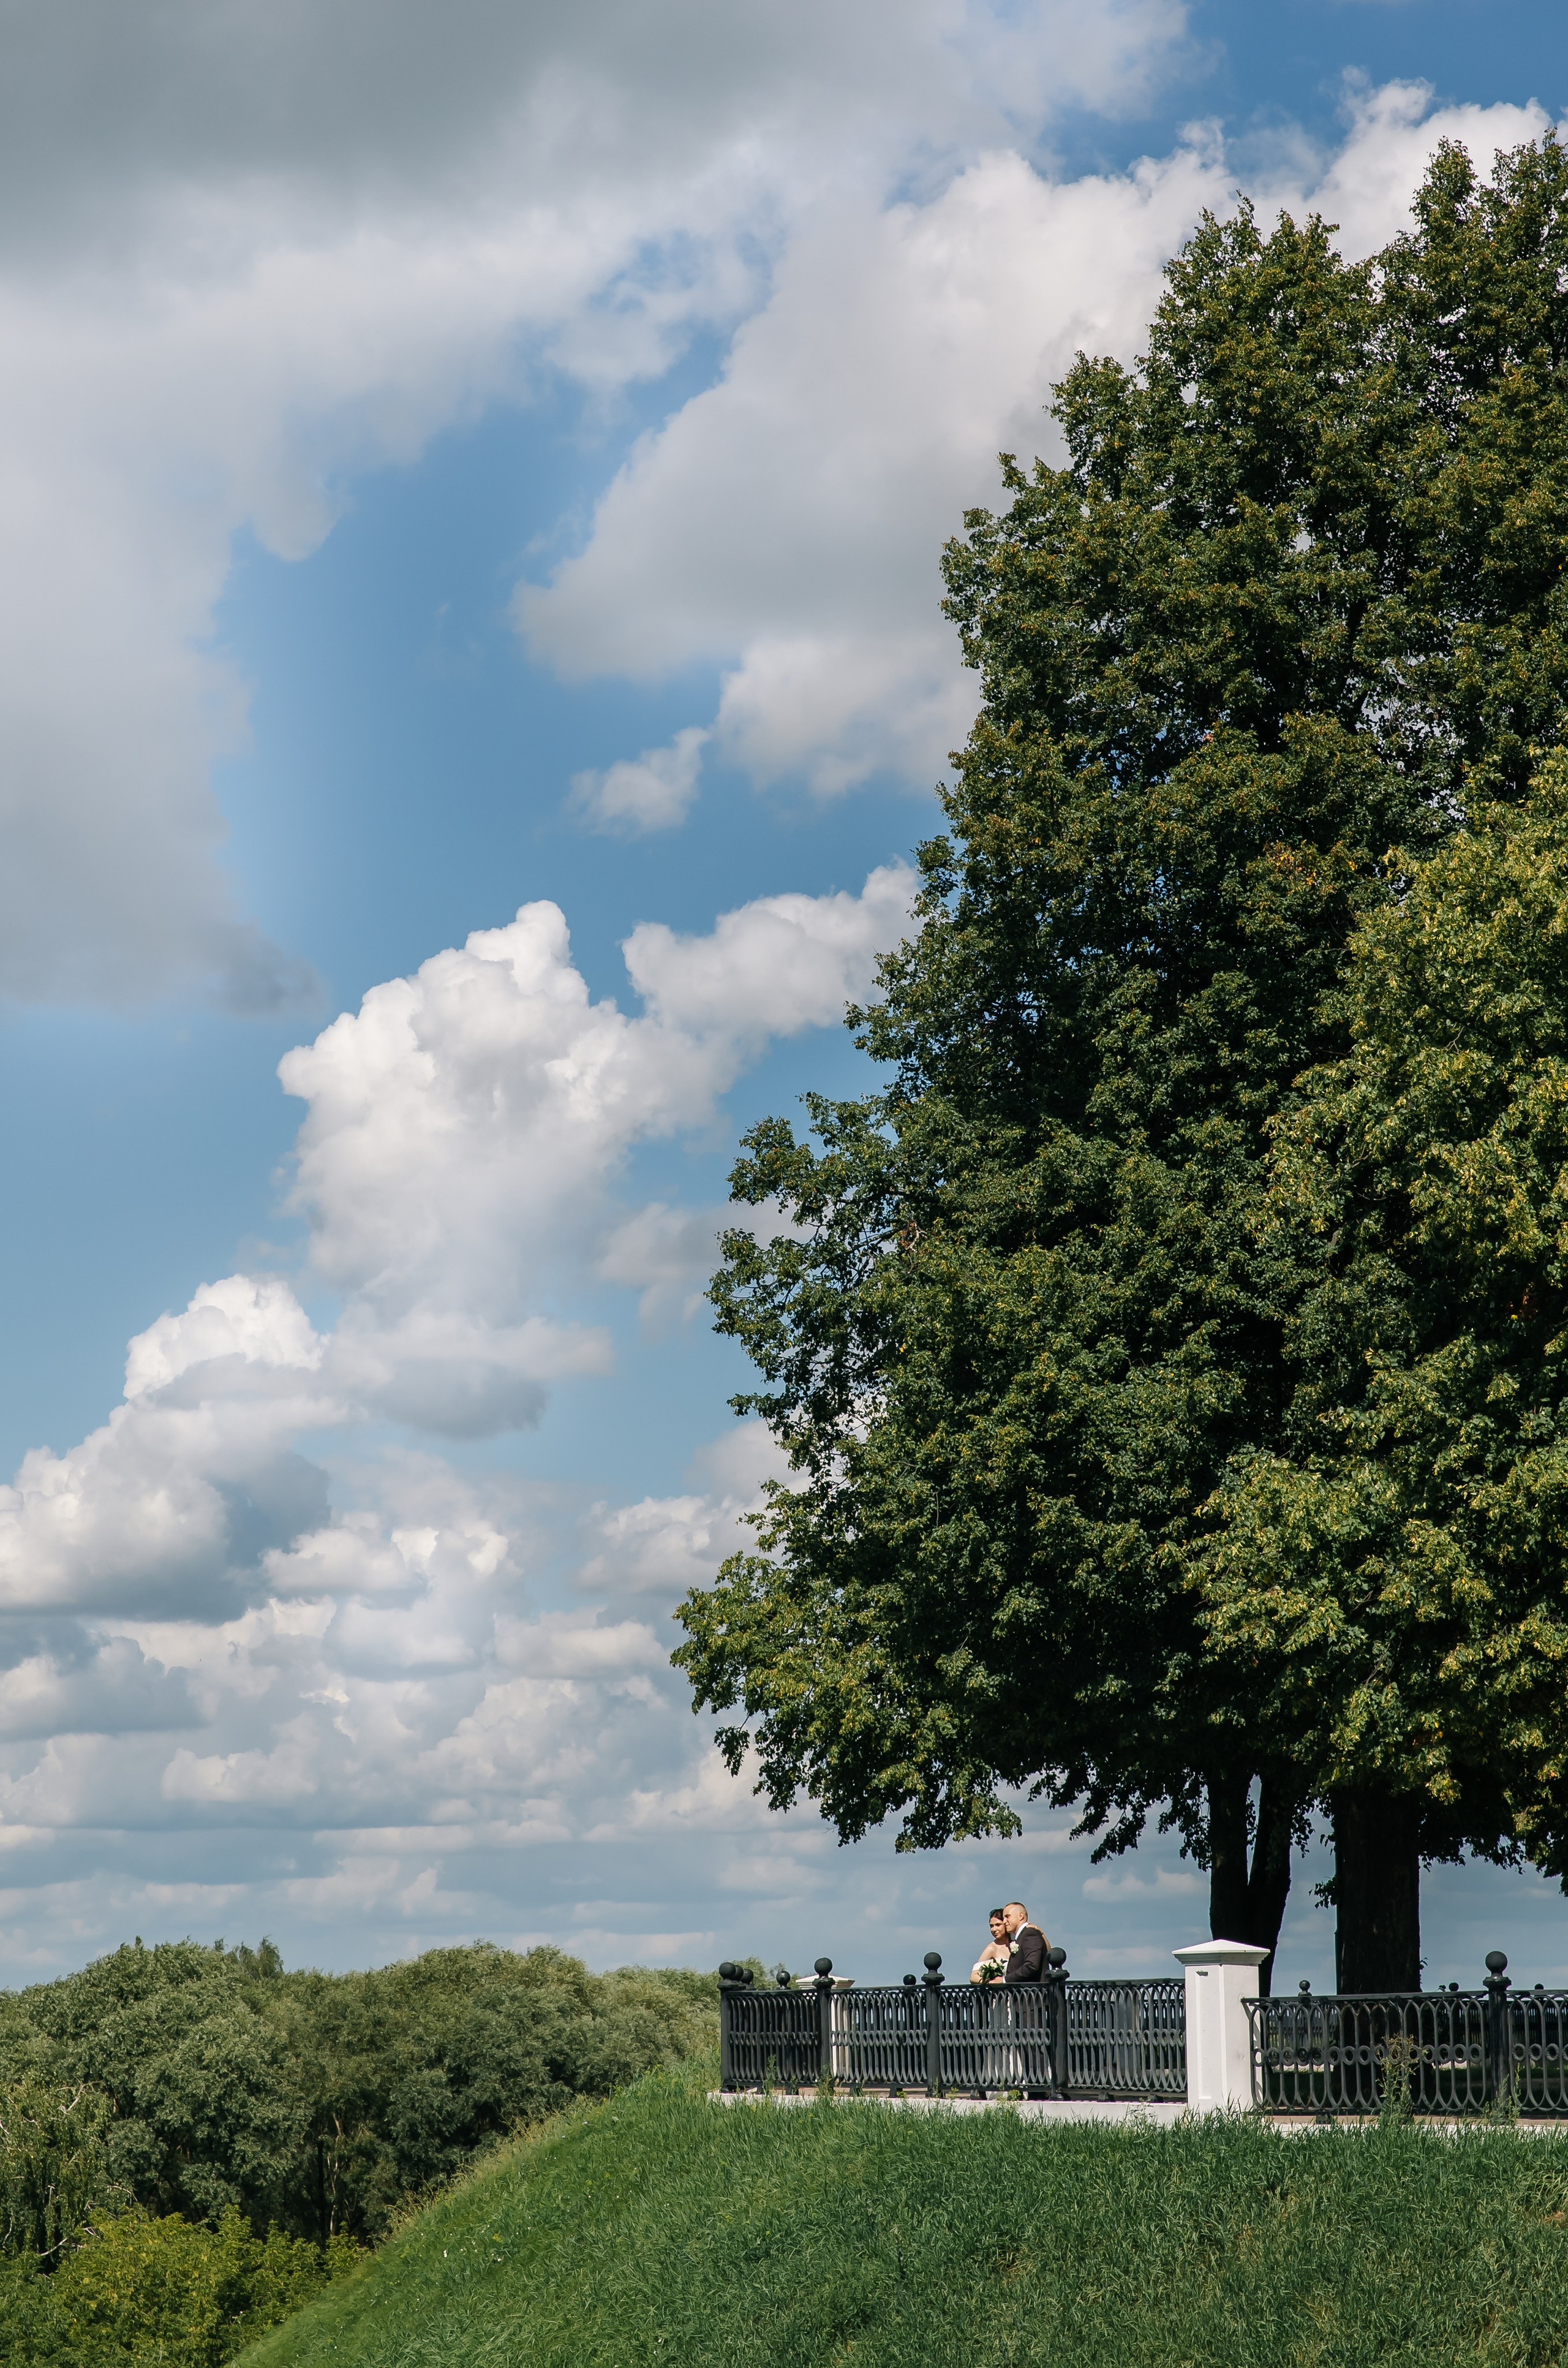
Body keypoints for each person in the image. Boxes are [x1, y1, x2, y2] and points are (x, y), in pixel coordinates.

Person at [1001, 1899, 1049, 1984]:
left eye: (1007, 1916)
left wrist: (1005, 1980)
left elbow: (1032, 1966)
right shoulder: (1022, 1936)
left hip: (1033, 1994)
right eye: (1003, 1918)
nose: (1004, 1921)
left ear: (1021, 1916)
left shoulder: (1029, 1933)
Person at [970, 1908, 1010, 1984]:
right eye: (991, 1926)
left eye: (998, 1925)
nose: (994, 1929)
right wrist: (989, 1982)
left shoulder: (1017, 1943)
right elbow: (973, 1976)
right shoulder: (992, 1948)